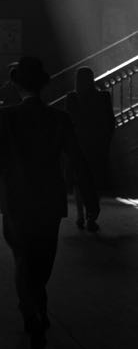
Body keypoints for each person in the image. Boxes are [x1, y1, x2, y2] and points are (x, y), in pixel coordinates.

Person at [0, 56, 99, 349]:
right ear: (44, 84)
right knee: (43, 257)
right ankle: (37, 304)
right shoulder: (59, 119)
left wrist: (1, 188)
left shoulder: (5, 117)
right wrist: (90, 199)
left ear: (15, 84)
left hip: (16, 199)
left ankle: (32, 310)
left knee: (23, 258)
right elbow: (77, 160)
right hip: (49, 198)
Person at [64, 67, 116, 231]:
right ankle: (92, 216)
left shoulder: (72, 98)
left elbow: (68, 122)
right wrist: (106, 141)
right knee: (94, 182)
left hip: (78, 144)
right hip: (97, 145)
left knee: (80, 182)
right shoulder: (103, 96)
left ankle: (80, 215)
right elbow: (110, 121)